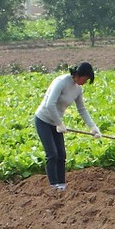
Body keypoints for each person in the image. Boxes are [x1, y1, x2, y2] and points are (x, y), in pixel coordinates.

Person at [33, 62, 102, 191]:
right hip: (43, 120)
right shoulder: (61, 82)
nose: (85, 82)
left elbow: (82, 109)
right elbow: (49, 104)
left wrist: (93, 127)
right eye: (85, 79)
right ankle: (54, 186)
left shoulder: (78, 89)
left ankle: (62, 185)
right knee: (52, 154)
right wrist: (59, 123)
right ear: (79, 75)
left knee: (62, 155)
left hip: (56, 123)